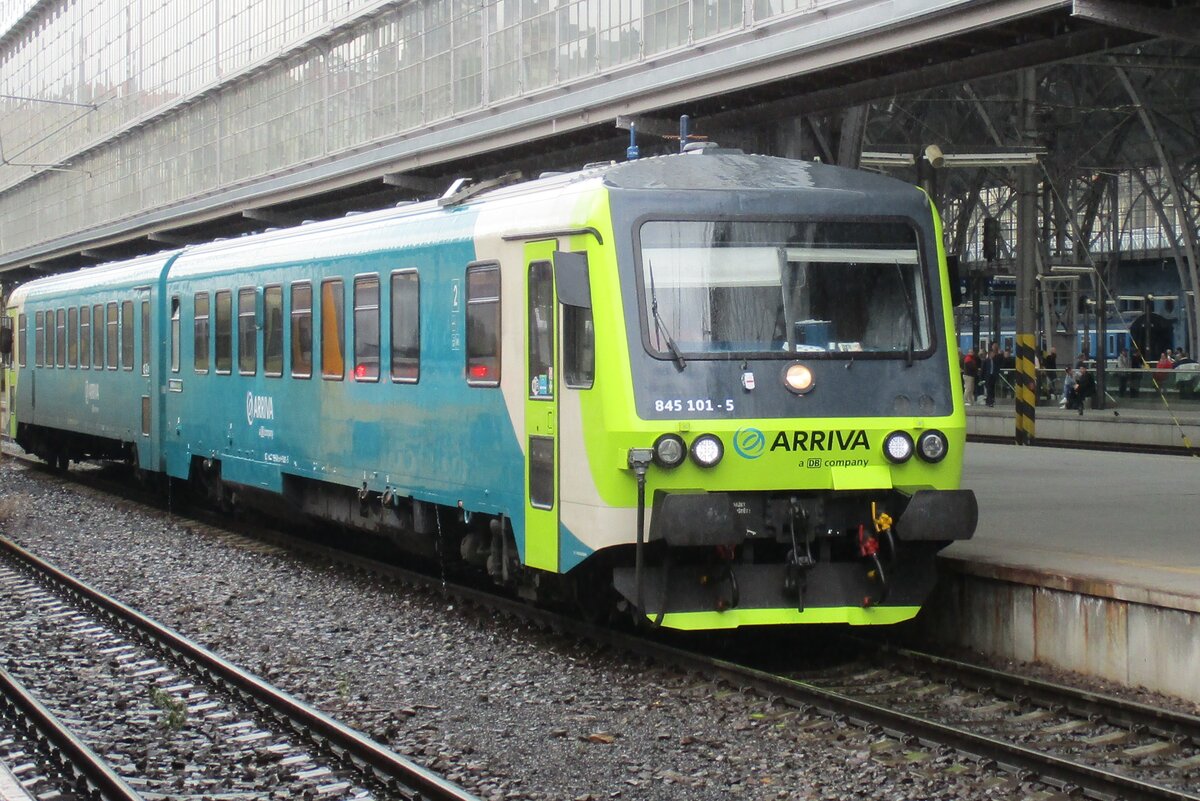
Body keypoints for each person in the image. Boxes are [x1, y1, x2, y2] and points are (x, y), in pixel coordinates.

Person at [982, 343, 1001, 407]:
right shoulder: (986, 361)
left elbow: (998, 367)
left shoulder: (995, 360)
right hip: (987, 377)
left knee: (992, 389)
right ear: (990, 354)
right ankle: (990, 402)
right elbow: (983, 370)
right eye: (992, 354)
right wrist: (982, 378)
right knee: (989, 390)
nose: (993, 355)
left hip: (993, 377)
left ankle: (989, 401)